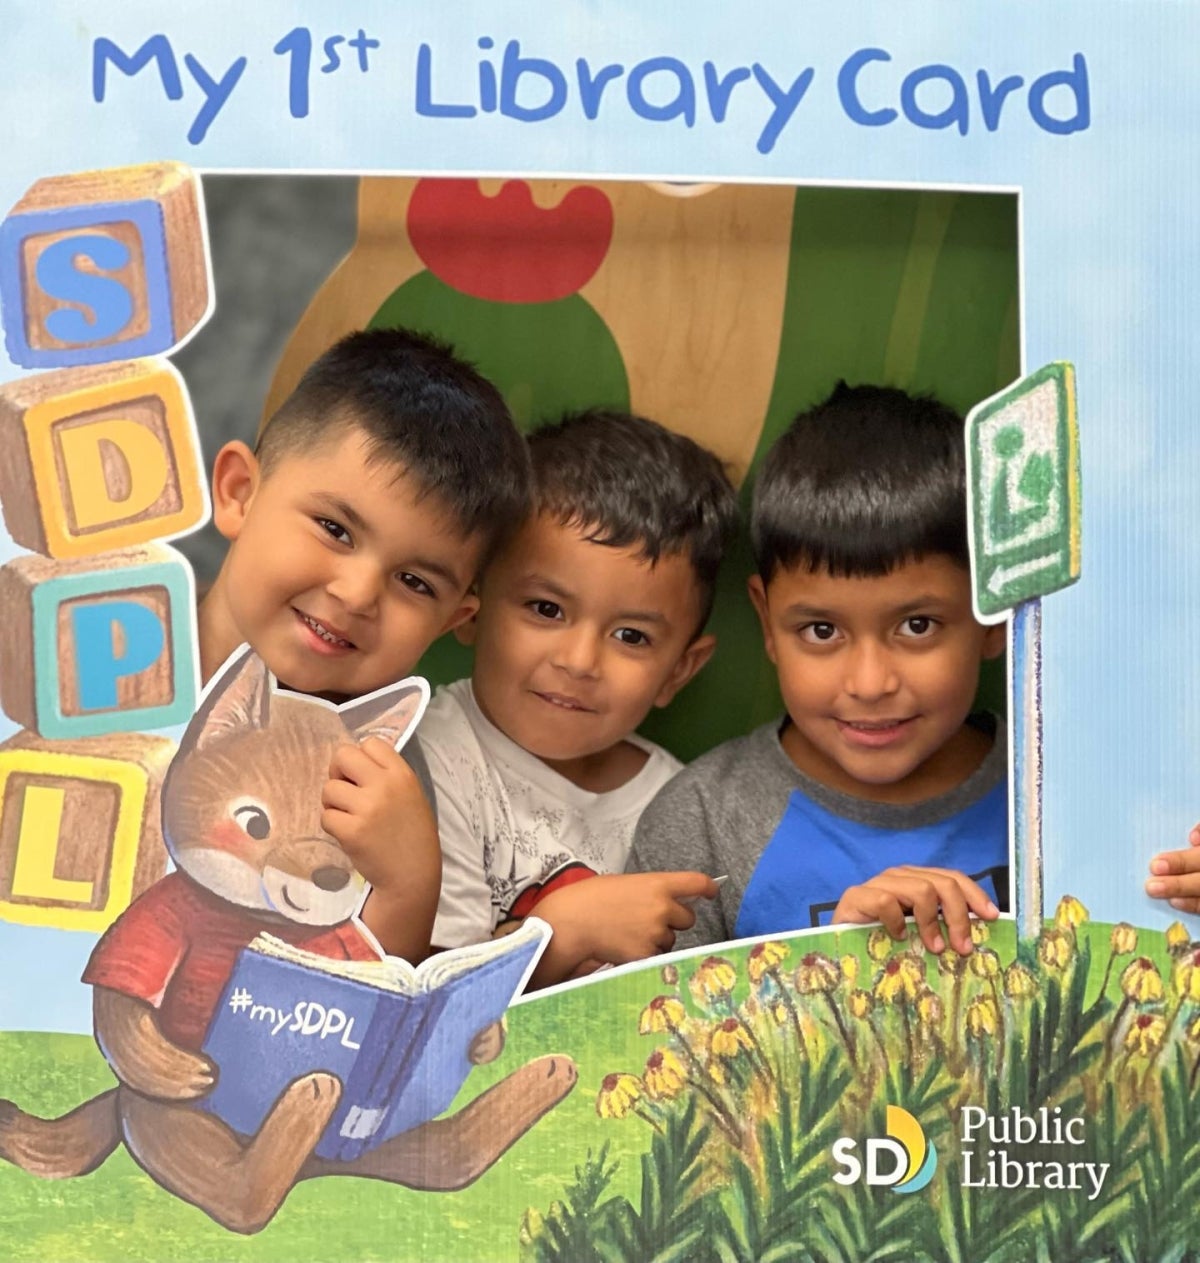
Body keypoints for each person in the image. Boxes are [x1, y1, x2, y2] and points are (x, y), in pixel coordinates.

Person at [626, 381, 1009, 957]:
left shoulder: (1067, 791)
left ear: (992, 616)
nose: (870, 683)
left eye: (918, 626)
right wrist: (836, 962)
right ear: (767, 620)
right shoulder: (702, 824)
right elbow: (654, 1037)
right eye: (822, 631)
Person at [195, 327, 531, 962]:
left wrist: (407, 885)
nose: (356, 593)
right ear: (240, 492)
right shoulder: (92, 664)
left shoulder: (382, 777)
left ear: (452, 619)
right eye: (335, 529)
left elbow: (357, 1013)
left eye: (413, 581)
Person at [420, 409, 738, 978]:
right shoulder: (431, 758)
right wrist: (561, 934)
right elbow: (433, 994)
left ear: (678, 672)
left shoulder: (683, 805)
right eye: (547, 609)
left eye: (631, 636)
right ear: (473, 606)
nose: (579, 661)